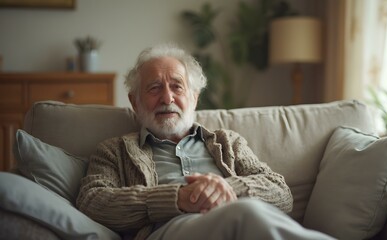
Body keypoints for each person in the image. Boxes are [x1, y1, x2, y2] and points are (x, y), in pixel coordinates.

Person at [76, 44, 334, 240]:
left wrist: (224, 188)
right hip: (168, 231)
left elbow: (281, 193)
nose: (167, 97)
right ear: (135, 102)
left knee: (246, 215)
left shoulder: (228, 142)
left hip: (236, 225)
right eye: (154, 88)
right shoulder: (114, 150)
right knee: (247, 213)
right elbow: (93, 201)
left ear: (194, 97)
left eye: (177, 87)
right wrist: (178, 198)